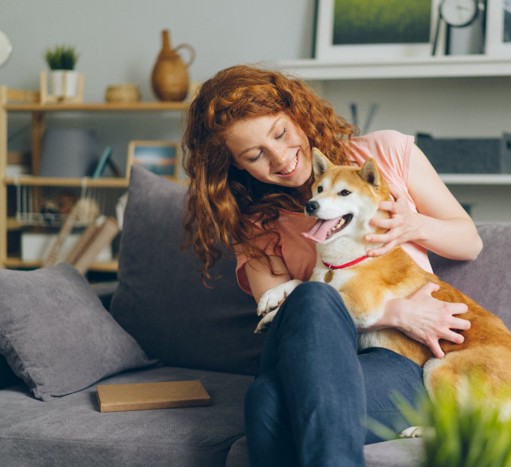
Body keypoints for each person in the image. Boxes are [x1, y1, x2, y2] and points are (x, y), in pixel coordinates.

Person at [182, 65, 483, 467]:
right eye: (255, 155)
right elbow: (284, 317)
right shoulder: (255, 223)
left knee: (267, 403)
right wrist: (394, 313)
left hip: (395, 359)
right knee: (311, 296)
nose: (282, 159)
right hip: (306, 350)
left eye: (281, 134)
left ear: (297, 115)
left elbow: (469, 241)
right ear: (237, 166)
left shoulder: (383, 153)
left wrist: (414, 224)